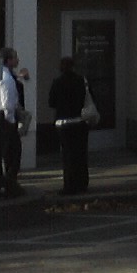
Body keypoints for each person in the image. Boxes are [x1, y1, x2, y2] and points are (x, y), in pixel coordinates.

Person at [47, 56, 90, 194]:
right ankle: (82, 183)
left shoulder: (57, 82)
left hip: (63, 123)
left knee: (67, 155)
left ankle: (69, 185)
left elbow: (51, 102)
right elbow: (86, 99)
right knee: (80, 154)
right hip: (78, 121)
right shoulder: (80, 81)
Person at [0, 47, 24, 198]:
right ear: (8, 60)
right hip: (4, 118)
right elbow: (8, 104)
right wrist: (11, 121)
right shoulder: (6, 78)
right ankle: (10, 183)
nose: (17, 60)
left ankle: (0, 180)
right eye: (15, 58)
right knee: (12, 151)